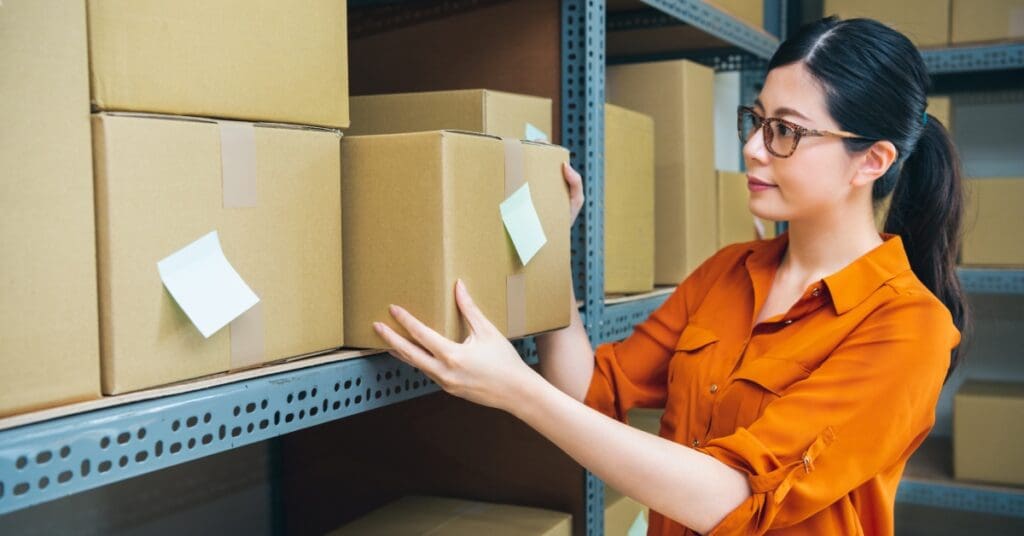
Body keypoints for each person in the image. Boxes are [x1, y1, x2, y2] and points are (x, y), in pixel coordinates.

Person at [372, 16, 968, 535]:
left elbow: (731, 496)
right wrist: (550, 251)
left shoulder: (909, 328)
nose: (755, 148)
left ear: (873, 159)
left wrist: (514, 390)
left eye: (786, 131)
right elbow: (589, 393)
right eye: (756, 120)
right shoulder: (728, 273)